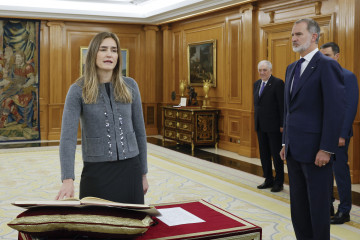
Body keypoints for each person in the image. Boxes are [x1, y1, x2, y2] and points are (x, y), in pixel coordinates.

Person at [56, 32, 149, 204]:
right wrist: (67, 179)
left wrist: (143, 174)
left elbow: (140, 133)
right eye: (103, 49)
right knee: (94, 225)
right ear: (93, 54)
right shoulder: (78, 90)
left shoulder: (131, 86)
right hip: (96, 171)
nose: (109, 54)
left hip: (131, 169)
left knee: (131, 225)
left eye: (114, 50)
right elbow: (67, 138)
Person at [280, 19, 345, 239]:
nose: (294, 39)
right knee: (298, 209)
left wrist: (326, 148)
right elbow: (289, 110)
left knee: (317, 209)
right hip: (294, 150)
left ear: (314, 36)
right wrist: (284, 142)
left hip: (317, 152)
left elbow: (334, 110)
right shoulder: (291, 68)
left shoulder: (327, 65)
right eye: (292, 35)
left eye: (298, 34)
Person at [320, 42, 358, 224]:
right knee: (324, 171)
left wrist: (342, 134)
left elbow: (350, 107)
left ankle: (344, 210)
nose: (323, 59)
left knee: (340, 172)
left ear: (337, 56)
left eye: (327, 55)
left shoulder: (348, 77)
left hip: (339, 135)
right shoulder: (320, 76)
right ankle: (327, 205)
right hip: (322, 133)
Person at [253, 60, 284, 192]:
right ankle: (268, 179)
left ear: (270, 70)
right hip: (260, 125)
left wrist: (283, 124)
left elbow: (282, 106)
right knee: (264, 154)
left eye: (264, 70)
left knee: (276, 155)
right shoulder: (257, 84)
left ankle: (279, 181)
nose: (262, 72)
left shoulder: (278, 83)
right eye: (260, 70)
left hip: (274, 127)